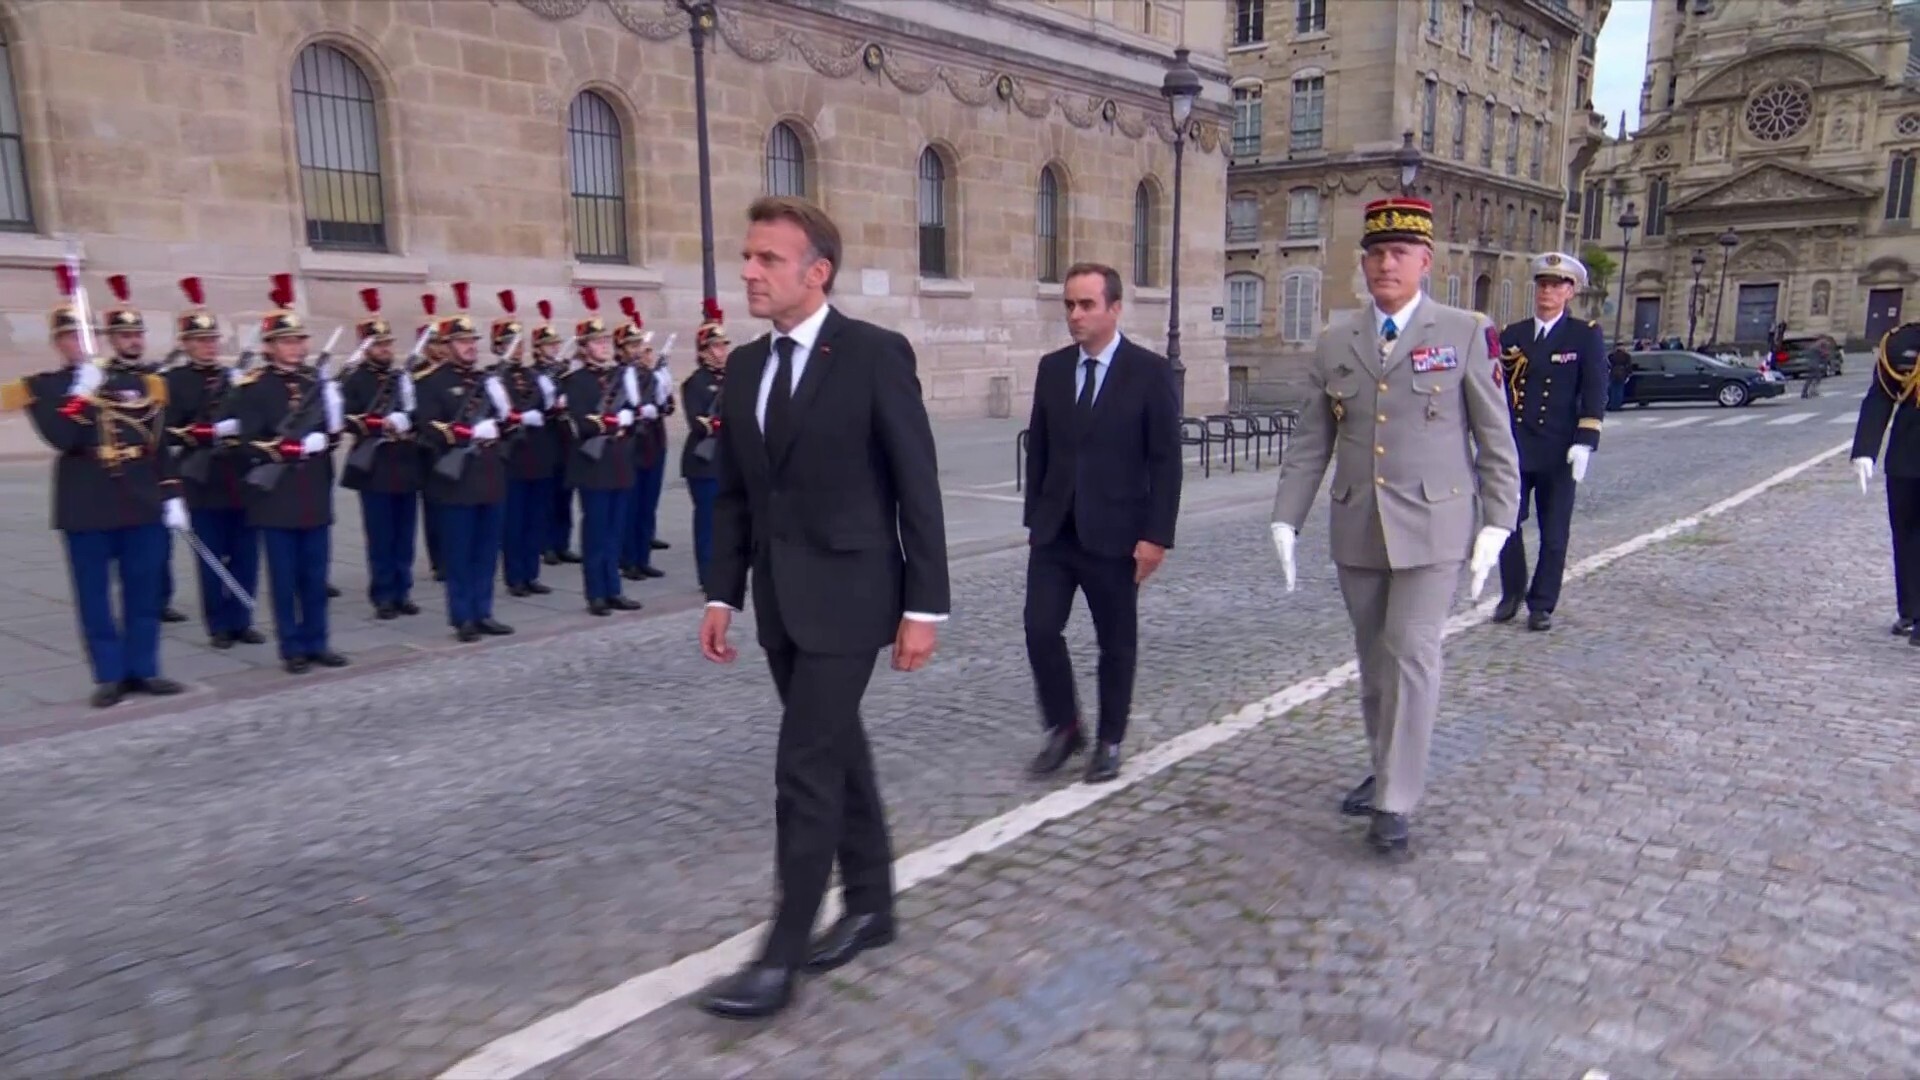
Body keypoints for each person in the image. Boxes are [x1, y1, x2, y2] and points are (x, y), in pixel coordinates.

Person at [697, 195, 950, 1019]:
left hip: (853, 594)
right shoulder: (742, 367)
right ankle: (873, 903)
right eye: (747, 257)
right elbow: (735, 495)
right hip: (778, 598)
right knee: (838, 747)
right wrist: (719, 592)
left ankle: (781, 957)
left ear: (818, 271)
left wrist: (925, 607)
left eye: (767, 259)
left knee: (803, 764)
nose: (748, 272)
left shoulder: (874, 354)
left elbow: (918, 486)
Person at [1268, 197, 1520, 856]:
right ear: (1364, 262)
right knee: (1376, 666)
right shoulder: (1336, 341)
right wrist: (1285, 517)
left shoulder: (1464, 331)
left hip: (1436, 525)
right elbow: (1310, 441)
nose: (1386, 263)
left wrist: (1499, 521)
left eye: (1400, 252)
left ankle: (1395, 801)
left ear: (1425, 261)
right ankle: (1386, 767)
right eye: (1376, 253)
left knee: (1412, 654)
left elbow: (1496, 438)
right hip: (1358, 525)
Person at [1020, 262, 1181, 784]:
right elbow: (1039, 449)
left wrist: (1156, 536)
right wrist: (1035, 519)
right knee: (1040, 628)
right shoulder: (1052, 369)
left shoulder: (1149, 373)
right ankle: (1065, 727)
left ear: (1114, 308)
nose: (1075, 314)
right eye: (1069, 304)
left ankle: (1110, 739)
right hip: (1055, 532)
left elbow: (1165, 462)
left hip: (1116, 534)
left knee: (1116, 641)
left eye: (1086, 304)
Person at [2, 267, 191, 707]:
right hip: (84, 502)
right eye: (70, 336)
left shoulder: (139, 384)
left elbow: (156, 442)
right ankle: (109, 674)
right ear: (58, 342)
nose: (79, 343)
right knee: (94, 595)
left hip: (140, 499)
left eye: (86, 333)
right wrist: (79, 397)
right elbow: (63, 438)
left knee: (143, 589)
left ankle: (144, 668)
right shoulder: (43, 389)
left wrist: (173, 492)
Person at [222, 275, 347, 675]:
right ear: (270, 346)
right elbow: (242, 442)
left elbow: (331, 433)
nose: (297, 347)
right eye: (288, 341)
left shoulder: (316, 382)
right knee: (284, 578)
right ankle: (291, 646)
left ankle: (318, 640)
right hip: (276, 498)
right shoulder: (253, 387)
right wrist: (280, 448)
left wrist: (325, 438)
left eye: (300, 340)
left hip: (313, 493)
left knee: (315, 575)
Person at [1492, 253, 1608, 633]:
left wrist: (1586, 440)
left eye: (1557, 285)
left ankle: (1541, 603)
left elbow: (1594, 389)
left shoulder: (1583, 335)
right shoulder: (1513, 335)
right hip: (1517, 446)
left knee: (1554, 533)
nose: (1548, 291)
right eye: (1543, 284)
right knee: (1507, 525)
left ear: (1570, 292)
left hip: (1560, 450)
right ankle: (1511, 592)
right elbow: (1496, 389)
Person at [163, 275, 264, 649]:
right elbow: (167, 431)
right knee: (211, 557)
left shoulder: (232, 377)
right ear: (186, 344)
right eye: (201, 341)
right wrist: (204, 433)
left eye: (212, 340)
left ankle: (242, 618)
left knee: (245, 553)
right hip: (201, 479)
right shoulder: (174, 381)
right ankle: (218, 625)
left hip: (238, 476)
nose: (209, 346)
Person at [416, 282, 515, 643]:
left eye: (472, 340)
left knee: (487, 552)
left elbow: (507, 423)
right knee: (460, 554)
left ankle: (483, 610)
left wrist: (503, 420)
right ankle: (463, 617)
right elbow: (427, 427)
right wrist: (469, 433)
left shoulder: (487, 380)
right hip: (455, 480)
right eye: (461, 341)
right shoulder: (431, 383)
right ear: (445, 347)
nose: (470, 346)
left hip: (489, 476)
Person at [338, 287, 424, 620]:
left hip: (404, 462)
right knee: (381, 536)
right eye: (379, 344)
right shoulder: (354, 380)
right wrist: (382, 423)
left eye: (388, 344)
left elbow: (419, 413)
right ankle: (383, 594)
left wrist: (407, 420)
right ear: (365, 348)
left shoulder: (401, 378)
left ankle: (403, 590)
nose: (386, 349)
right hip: (374, 466)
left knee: (404, 535)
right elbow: (346, 419)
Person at [559, 288, 644, 615]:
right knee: (596, 531)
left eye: (606, 341)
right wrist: (612, 421)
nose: (604, 346)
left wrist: (630, 417)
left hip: (620, 462)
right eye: (597, 342)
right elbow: (578, 424)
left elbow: (635, 416)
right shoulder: (575, 380)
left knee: (615, 530)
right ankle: (595, 592)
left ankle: (614, 589)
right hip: (593, 465)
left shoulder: (621, 376)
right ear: (583, 348)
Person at [1849, 322, 1920, 645]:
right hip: (1908, 456)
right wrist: (1865, 451)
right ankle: (1910, 610)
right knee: (1906, 537)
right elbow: (1880, 397)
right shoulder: (1901, 342)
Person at [493, 291, 560, 598]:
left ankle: (531, 573)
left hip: (539, 454)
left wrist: (550, 400)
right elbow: (498, 414)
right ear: (498, 347)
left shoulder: (533, 375)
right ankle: (515, 576)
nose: (517, 348)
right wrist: (521, 416)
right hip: (512, 458)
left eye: (519, 343)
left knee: (535, 518)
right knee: (514, 521)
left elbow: (548, 409)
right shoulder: (494, 378)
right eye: (510, 343)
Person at [616, 299, 673, 582]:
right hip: (630, 447)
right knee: (631, 505)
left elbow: (668, 405)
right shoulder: (618, 377)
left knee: (647, 504)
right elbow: (619, 408)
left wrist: (660, 377)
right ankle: (628, 560)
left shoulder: (649, 374)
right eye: (632, 346)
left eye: (640, 345)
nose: (638, 351)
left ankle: (642, 557)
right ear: (622, 351)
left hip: (653, 443)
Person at [681, 298, 728, 591]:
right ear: (703, 352)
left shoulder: (733, 378)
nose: (722, 351)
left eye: (724, 345)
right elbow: (700, 424)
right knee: (708, 525)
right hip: (704, 462)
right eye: (717, 346)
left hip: (728, 461)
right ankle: (709, 578)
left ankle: (726, 573)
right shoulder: (695, 383)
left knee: (728, 524)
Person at [1607, 344, 1633, 411]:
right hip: (1622, 374)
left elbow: (1608, 365)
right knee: (1619, 391)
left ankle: (1612, 405)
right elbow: (1629, 366)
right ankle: (1617, 406)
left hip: (1613, 374)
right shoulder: (1626, 356)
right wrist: (1628, 375)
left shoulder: (1611, 355)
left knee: (1613, 391)